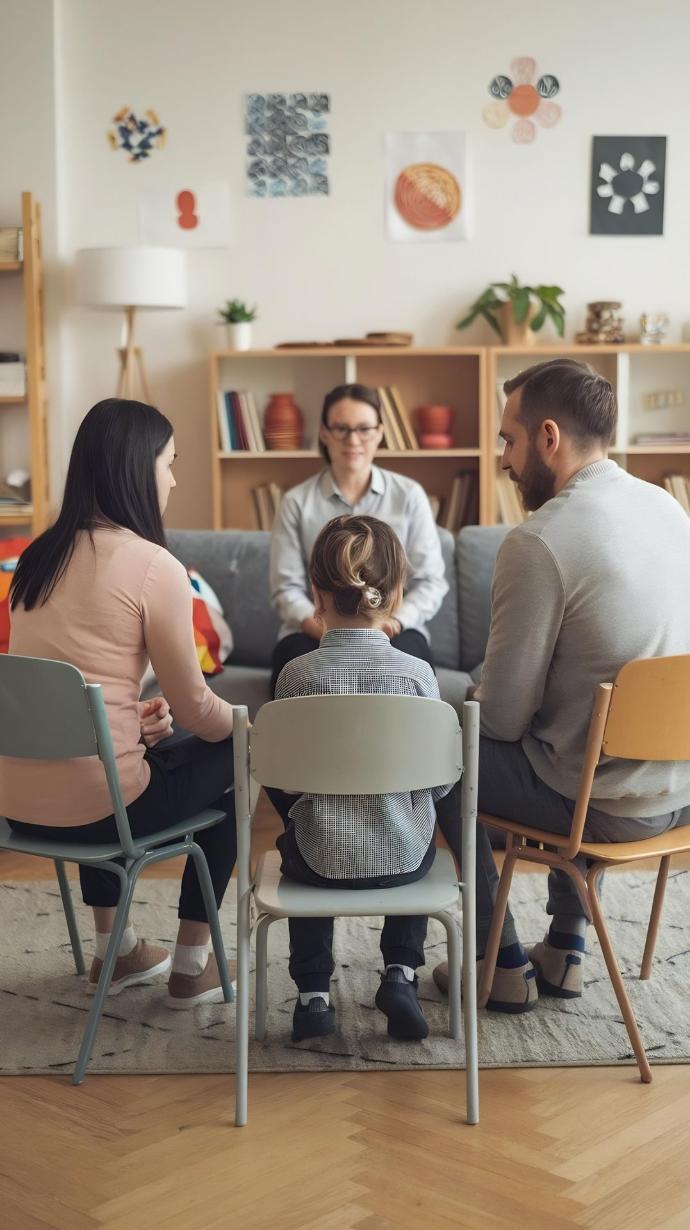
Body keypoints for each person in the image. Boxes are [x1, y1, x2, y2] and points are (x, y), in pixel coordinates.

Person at [432, 358, 690, 1011]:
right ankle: (567, 948)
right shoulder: (670, 508)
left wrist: (463, 693)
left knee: (433, 750)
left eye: (508, 441)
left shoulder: (539, 540)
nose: (503, 461)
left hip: (598, 804)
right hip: (676, 791)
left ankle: (501, 961)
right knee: (570, 735)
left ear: (548, 437)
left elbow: (503, 722)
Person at [0, 398, 237, 1009]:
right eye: (169, 463)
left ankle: (117, 949)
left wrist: (133, 720)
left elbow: (72, 696)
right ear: (138, 468)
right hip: (104, 810)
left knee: (99, 765)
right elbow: (198, 711)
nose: (175, 478)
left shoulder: (34, 559)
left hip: (19, 806)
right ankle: (192, 964)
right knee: (238, 755)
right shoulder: (154, 565)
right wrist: (249, 723)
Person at [268, 514, 456, 1044]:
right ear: (396, 594)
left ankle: (312, 998)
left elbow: (281, 780)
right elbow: (440, 786)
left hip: (319, 860)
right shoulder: (418, 676)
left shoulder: (297, 675)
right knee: (421, 824)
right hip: (403, 863)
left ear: (315, 595)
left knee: (300, 832)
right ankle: (400, 973)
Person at [269, 383, 448, 692]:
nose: (353, 440)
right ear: (324, 433)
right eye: (341, 429)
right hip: (313, 632)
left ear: (380, 432)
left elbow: (431, 581)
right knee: (292, 663)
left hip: (394, 630)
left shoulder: (409, 496)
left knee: (413, 664)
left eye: (364, 429)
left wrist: (390, 624)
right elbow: (286, 589)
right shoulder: (296, 502)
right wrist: (326, 628)